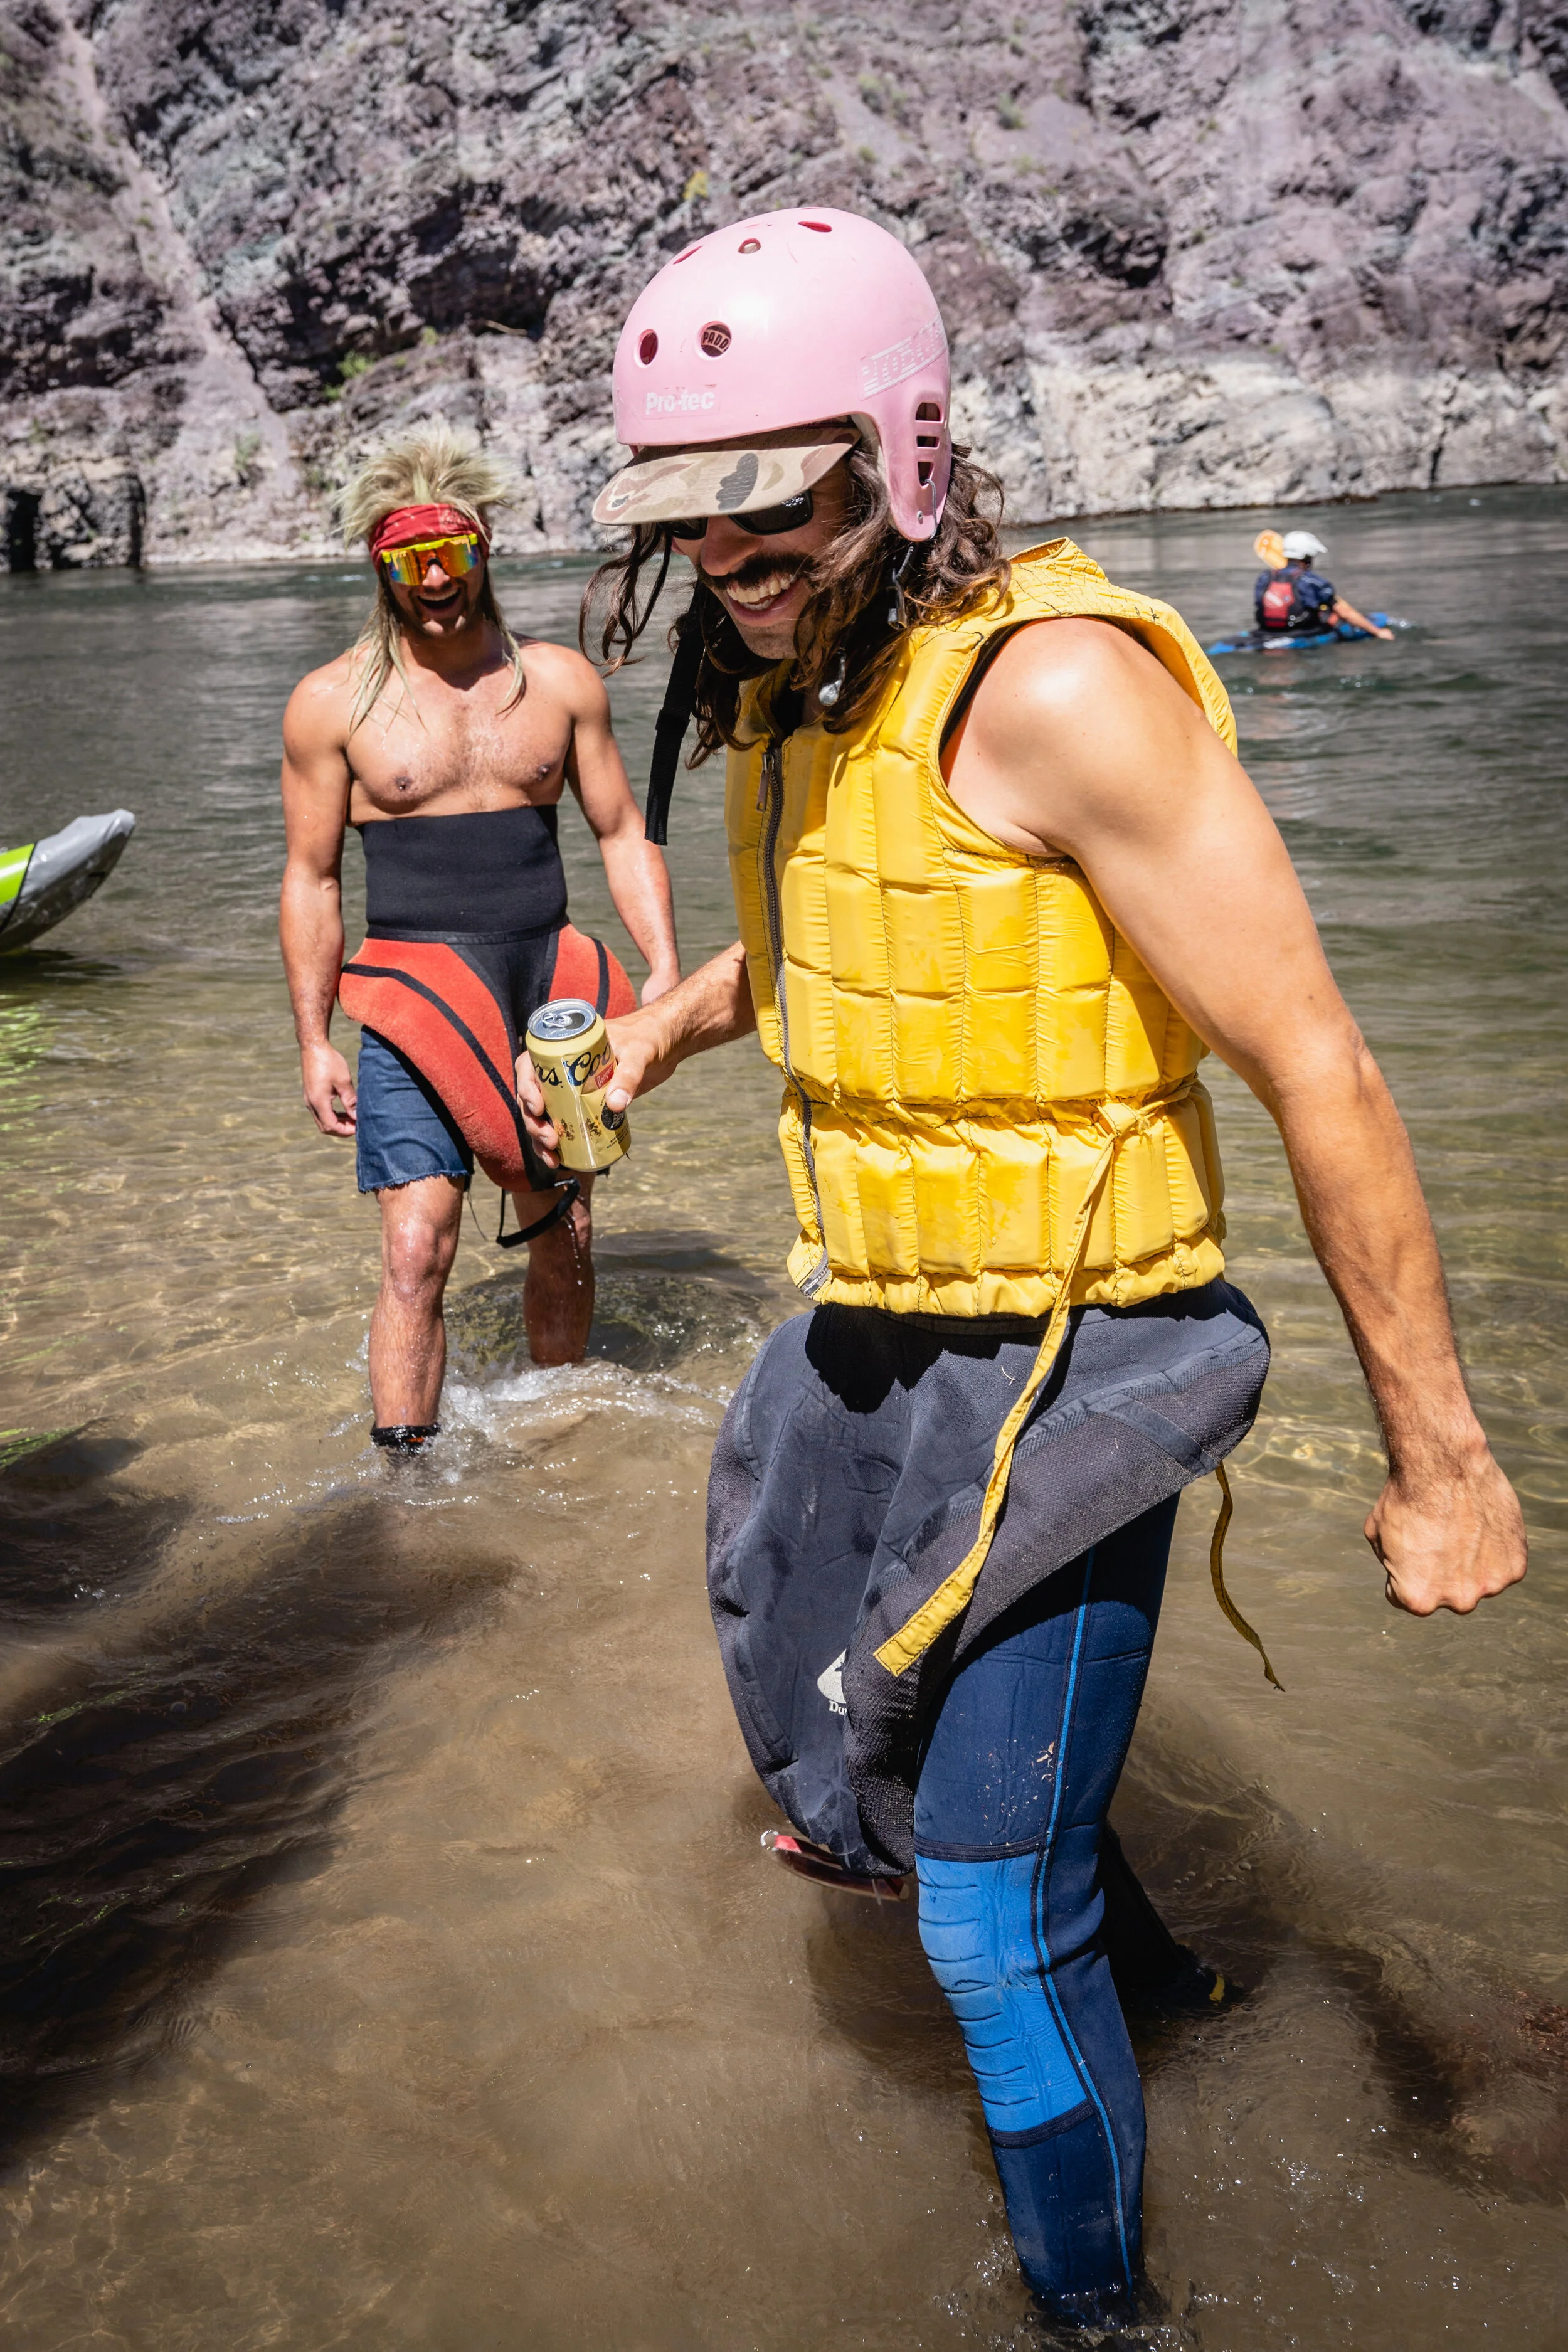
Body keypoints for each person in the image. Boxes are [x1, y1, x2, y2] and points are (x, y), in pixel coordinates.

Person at [548, 209, 1525, 2326]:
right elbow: (869, 934)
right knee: (863, 1794)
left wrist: (1441, 1457)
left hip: (1088, 1356)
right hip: (884, 1340)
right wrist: (665, 1026)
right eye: (681, 515)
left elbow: (1319, 1062)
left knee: (982, 1924)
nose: (721, 556)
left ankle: (1106, 2318)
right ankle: (1196, 1998)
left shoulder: (1061, 688)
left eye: (765, 502)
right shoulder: (799, 684)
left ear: (899, 450)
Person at [279, 426, 679, 1453]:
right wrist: (314, 1040)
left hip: (548, 985)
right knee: (417, 1249)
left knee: (566, 1230)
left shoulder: (558, 683)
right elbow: (313, 878)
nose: (435, 581)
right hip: (413, 994)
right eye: (409, 561)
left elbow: (621, 831)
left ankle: (562, 1443)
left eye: (451, 554)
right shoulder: (332, 703)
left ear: (483, 548)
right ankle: (407, 1479)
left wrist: (667, 974)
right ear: (380, 567)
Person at [1254, 527, 1394, 639]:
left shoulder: (1265, 578)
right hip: (1301, 631)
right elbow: (1344, 612)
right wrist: (1378, 632)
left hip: (1266, 630)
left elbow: (1260, 604)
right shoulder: (1311, 581)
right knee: (1327, 613)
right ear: (1307, 558)